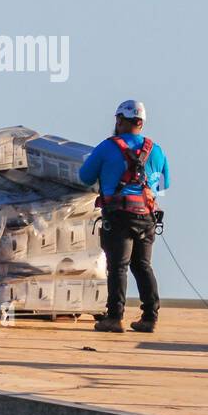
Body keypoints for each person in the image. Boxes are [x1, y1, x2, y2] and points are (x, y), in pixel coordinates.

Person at [78, 100, 170, 333]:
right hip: (147, 216)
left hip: (118, 215)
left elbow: (85, 177)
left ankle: (114, 317)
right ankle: (150, 317)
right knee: (143, 265)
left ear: (119, 120)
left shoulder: (107, 147)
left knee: (118, 267)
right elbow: (162, 186)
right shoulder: (156, 150)